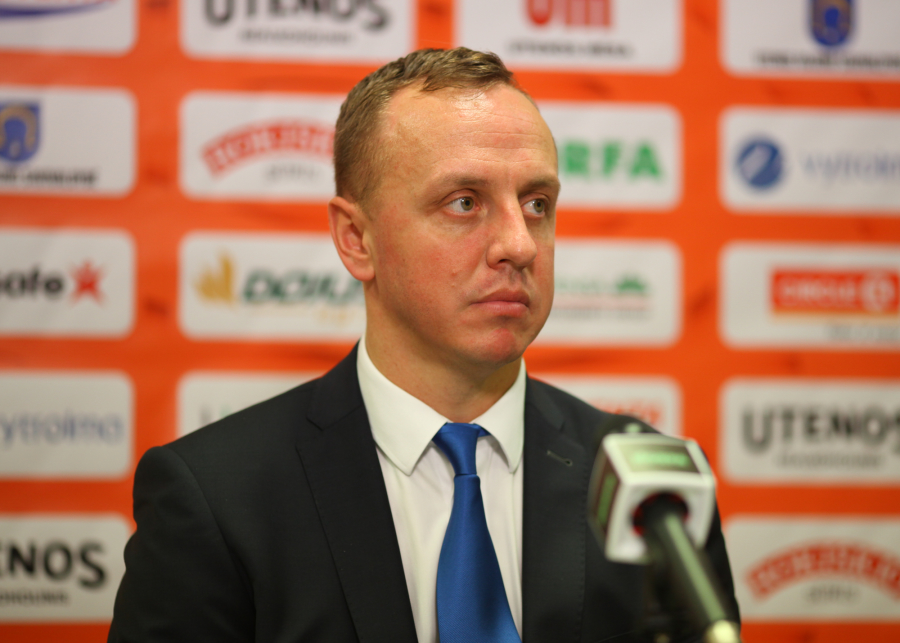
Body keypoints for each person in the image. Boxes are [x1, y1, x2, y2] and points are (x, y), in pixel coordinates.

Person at [108, 48, 738, 643]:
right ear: (356, 239)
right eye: (464, 203)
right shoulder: (216, 499)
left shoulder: (653, 490)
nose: (519, 244)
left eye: (536, 203)